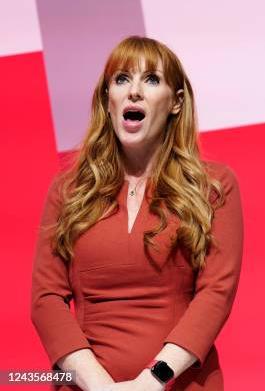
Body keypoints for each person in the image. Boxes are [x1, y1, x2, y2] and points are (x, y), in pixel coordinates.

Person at [31, 36, 243, 391]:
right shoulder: (69, 190)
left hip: (179, 384)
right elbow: (46, 299)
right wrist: (99, 385)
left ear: (176, 103)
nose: (134, 92)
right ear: (107, 100)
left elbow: (215, 294)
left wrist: (152, 381)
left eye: (151, 80)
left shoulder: (214, 185)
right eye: (122, 79)